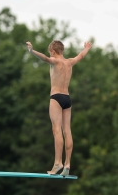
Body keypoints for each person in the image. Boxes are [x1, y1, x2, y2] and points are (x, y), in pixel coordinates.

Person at [26, 40, 92, 176]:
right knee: (67, 131)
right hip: (67, 98)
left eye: (51, 52)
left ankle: (58, 163)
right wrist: (86, 48)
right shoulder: (69, 62)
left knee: (56, 130)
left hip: (56, 97)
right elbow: (81, 56)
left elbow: (44, 58)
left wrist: (32, 51)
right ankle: (67, 164)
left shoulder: (55, 61)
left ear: (53, 51)